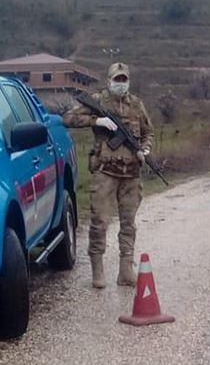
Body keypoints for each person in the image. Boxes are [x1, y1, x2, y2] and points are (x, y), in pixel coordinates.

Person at [63, 62, 154, 288]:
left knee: (128, 223)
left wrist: (145, 148)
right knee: (100, 221)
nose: (120, 84)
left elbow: (148, 132)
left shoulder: (136, 105)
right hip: (105, 171)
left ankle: (126, 270)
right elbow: (68, 119)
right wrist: (96, 120)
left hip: (131, 173)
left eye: (124, 80)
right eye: (117, 79)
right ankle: (98, 269)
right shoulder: (99, 101)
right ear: (109, 80)